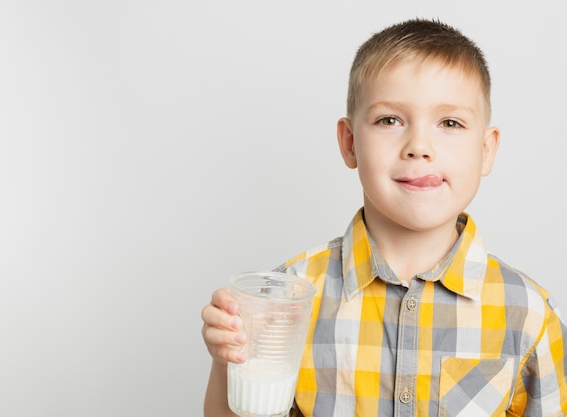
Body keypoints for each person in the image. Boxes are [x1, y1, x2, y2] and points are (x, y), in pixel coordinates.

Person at [200, 18, 567, 417]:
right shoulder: (291, 297)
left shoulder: (528, 313)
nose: (419, 146)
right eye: (389, 120)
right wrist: (228, 361)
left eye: (450, 123)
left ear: (486, 150)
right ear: (349, 142)